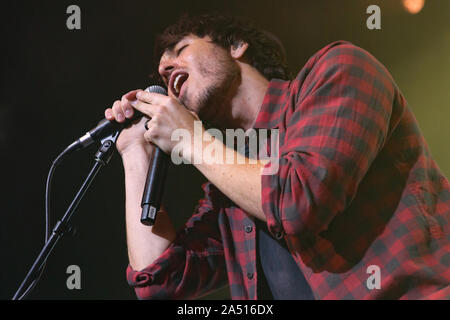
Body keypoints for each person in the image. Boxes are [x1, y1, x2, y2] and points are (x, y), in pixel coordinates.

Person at [104, 14, 449, 300]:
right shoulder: (229, 186)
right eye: (162, 74)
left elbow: (298, 200)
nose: (166, 70)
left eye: (180, 50)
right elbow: (161, 283)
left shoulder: (341, 69)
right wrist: (136, 153)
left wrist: (190, 141)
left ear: (237, 46)